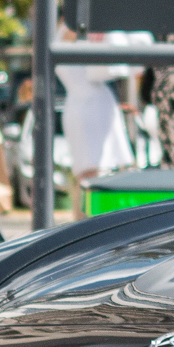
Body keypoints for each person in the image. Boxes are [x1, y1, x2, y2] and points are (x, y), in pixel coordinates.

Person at [55, 30, 145, 216]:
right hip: (88, 107)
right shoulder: (69, 31)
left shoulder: (68, 33)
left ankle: (89, 223)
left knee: (97, 175)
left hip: (93, 104)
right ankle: (87, 225)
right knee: (91, 176)